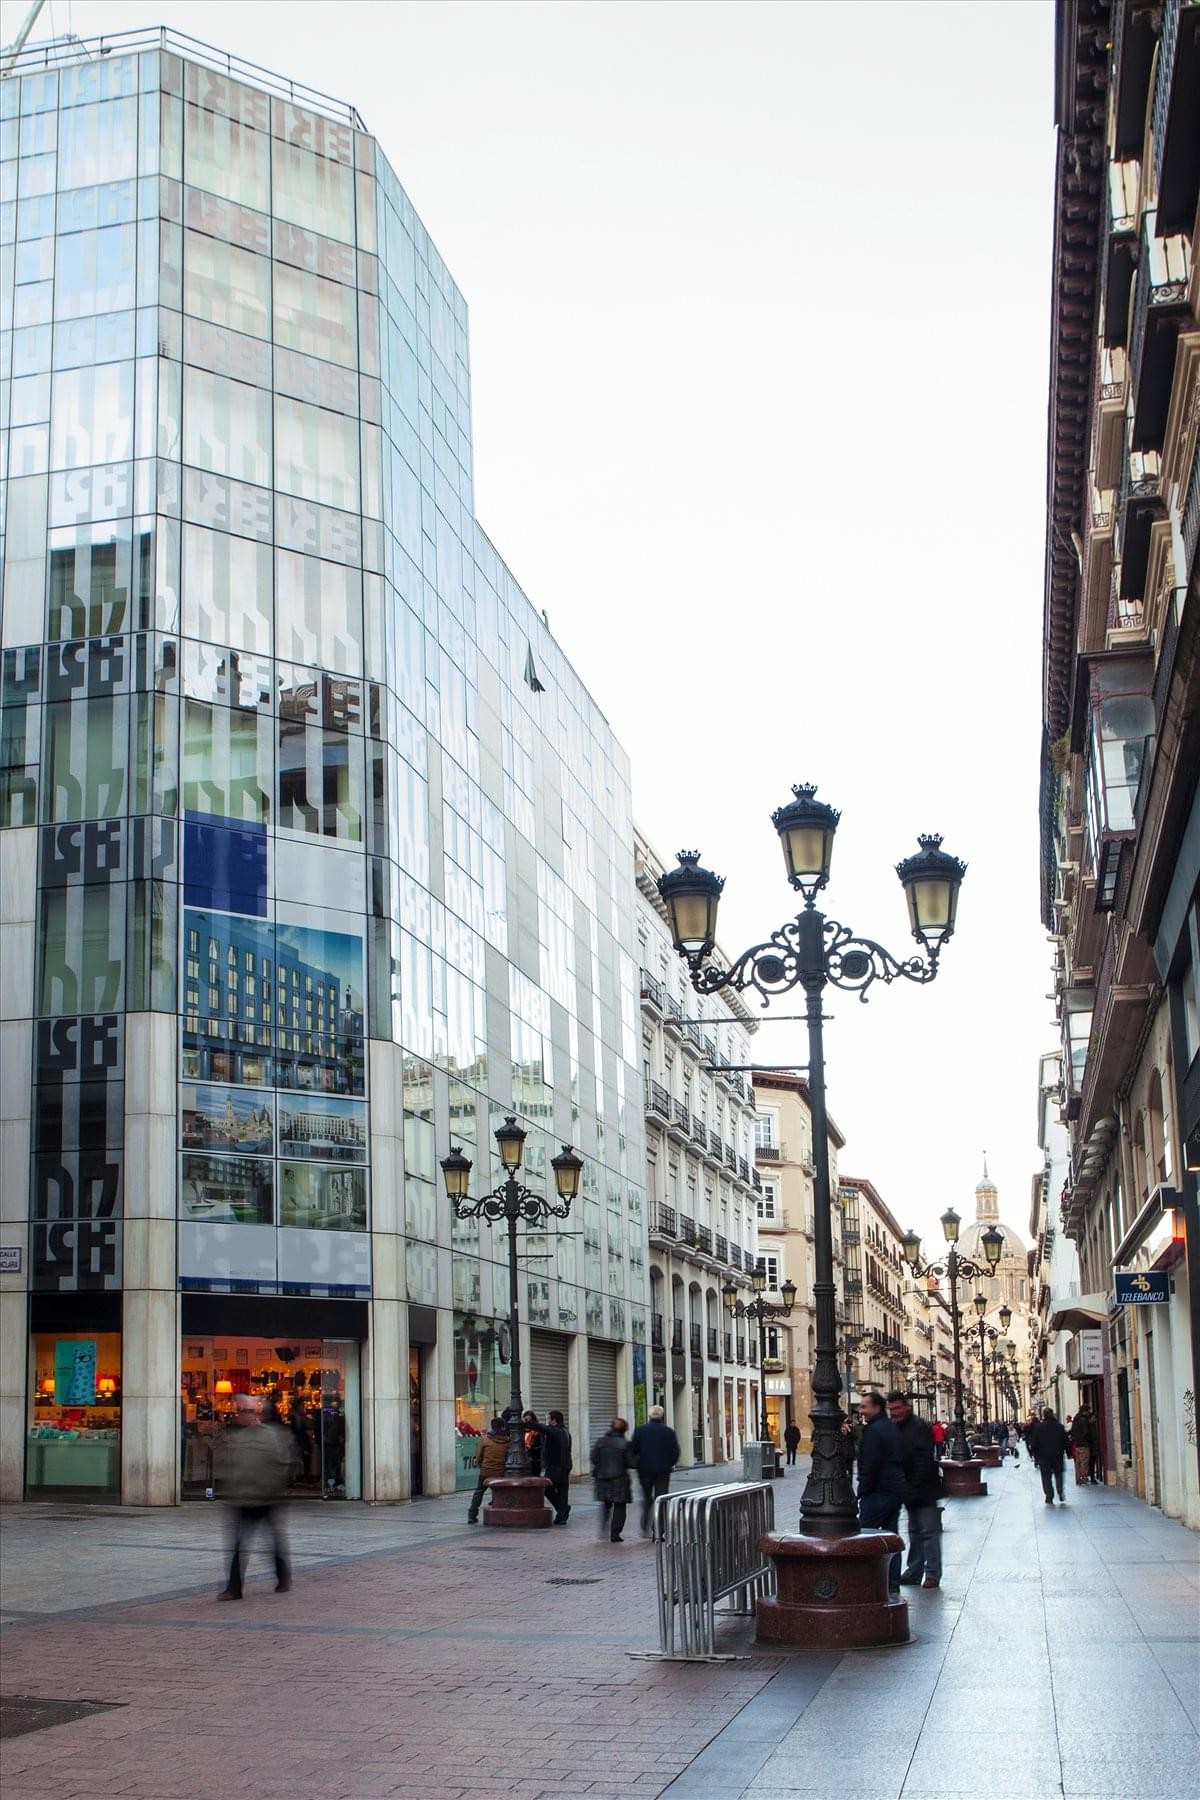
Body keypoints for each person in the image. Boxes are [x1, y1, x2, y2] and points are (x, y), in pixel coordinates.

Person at [217, 1394, 294, 1600]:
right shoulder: (238, 1437)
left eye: (248, 1411)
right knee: (239, 1545)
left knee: (272, 1542)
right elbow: (231, 1466)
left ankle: (283, 1576)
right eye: (241, 1411)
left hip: (266, 1497)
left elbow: (282, 1464)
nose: (244, 1415)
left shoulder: (270, 1435)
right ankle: (234, 1588)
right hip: (243, 1498)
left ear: (257, 1412)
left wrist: (272, 1488)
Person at [887, 1391, 942, 1590]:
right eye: (891, 1409)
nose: (894, 1413)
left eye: (898, 1408)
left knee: (928, 1532)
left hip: (924, 1489)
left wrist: (911, 1487)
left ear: (907, 1407)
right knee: (914, 1532)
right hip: (909, 1488)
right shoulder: (897, 1428)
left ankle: (932, 1574)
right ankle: (914, 1571)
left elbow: (922, 1461)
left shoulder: (918, 1427)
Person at [855, 1391, 906, 1593]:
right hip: (894, 1489)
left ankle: (866, 1581)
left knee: (864, 1536)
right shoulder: (890, 1428)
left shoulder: (874, 1431)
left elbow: (870, 1464)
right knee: (891, 1536)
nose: (861, 1410)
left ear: (876, 1407)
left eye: (864, 1406)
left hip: (878, 1491)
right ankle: (892, 1581)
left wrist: (863, 1489)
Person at [629, 1405, 681, 1536]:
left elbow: (633, 1450)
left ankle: (644, 1524)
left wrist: (637, 1464)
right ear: (662, 1416)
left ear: (649, 1416)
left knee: (646, 1498)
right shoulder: (669, 1432)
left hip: (644, 1471)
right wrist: (670, 1463)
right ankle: (658, 1529)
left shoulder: (640, 1431)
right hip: (663, 1471)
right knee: (661, 1499)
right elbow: (675, 1451)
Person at [591, 1416, 635, 1543]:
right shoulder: (625, 1444)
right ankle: (615, 1533)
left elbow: (594, 1459)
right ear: (624, 1430)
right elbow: (631, 1462)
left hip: (602, 1477)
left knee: (606, 1503)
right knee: (620, 1506)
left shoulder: (600, 1441)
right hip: (620, 1479)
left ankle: (604, 1526)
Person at [467, 1415, 509, 1523]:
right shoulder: (508, 1441)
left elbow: (478, 1457)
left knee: (479, 1492)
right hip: (500, 1472)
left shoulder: (484, 1439)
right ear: (503, 1427)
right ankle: (501, 1514)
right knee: (500, 1493)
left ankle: (472, 1515)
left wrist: (482, 1466)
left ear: (492, 1427)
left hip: (486, 1471)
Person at [1030, 1408, 1071, 1504]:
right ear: (1052, 1414)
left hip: (1043, 1456)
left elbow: (1034, 1443)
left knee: (1046, 1476)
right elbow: (1066, 1441)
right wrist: (1068, 1453)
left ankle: (1049, 1496)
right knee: (1058, 1474)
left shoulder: (1038, 1427)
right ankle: (1060, 1491)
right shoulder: (1059, 1427)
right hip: (1058, 1455)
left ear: (1044, 1415)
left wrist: (1035, 1455)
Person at [542, 1409, 573, 1524]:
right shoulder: (565, 1431)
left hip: (556, 1467)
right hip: (564, 1466)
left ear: (554, 1420)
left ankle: (562, 1510)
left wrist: (530, 1423)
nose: (548, 1421)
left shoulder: (556, 1431)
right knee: (562, 1492)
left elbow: (543, 1429)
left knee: (547, 1489)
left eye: (549, 1419)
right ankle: (562, 1515)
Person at [1068, 1411, 1092, 1486]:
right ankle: (1084, 1478)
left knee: (1078, 1463)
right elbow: (1086, 1432)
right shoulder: (1083, 1420)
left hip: (1077, 1444)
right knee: (1084, 1462)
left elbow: (1071, 1432)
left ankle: (1078, 1479)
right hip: (1084, 1444)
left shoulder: (1075, 1420)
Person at [522, 1410, 544, 1477]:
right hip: (524, 1459)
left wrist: (532, 1448)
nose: (528, 1422)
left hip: (535, 1460)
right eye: (526, 1420)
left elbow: (542, 1445)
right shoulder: (521, 1431)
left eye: (530, 1420)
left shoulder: (538, 1432)